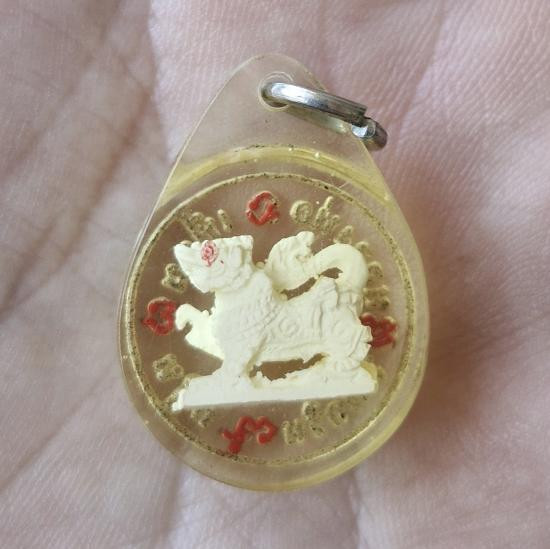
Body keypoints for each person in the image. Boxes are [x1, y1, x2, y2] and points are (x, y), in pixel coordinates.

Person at [1, 1, 549, 547]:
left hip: (307, 324)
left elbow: (239, 341)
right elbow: (226, 336)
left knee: (326, 341)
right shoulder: (237, 298)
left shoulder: (255, 291)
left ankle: (341, 358)